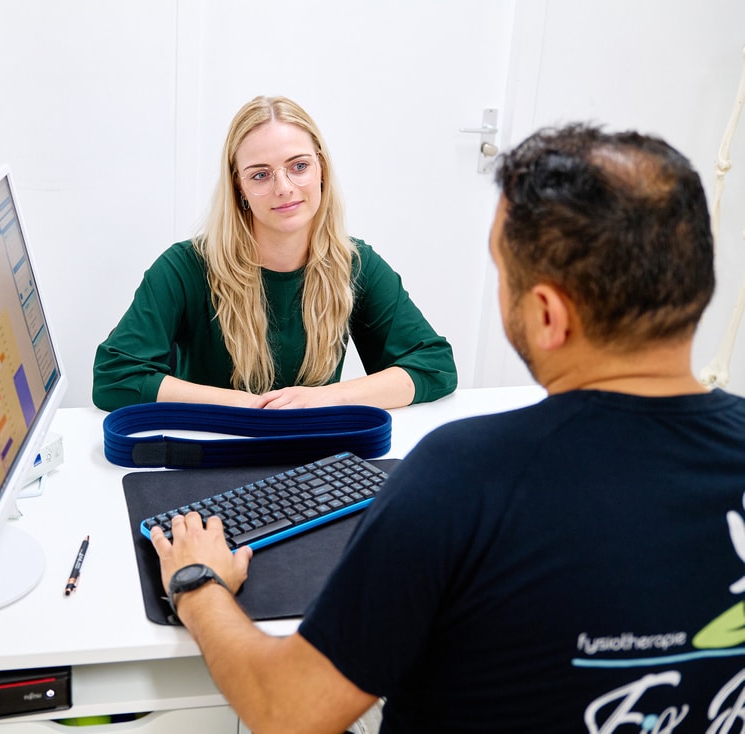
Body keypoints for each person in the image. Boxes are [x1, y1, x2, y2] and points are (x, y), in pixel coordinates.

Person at [148, 123, 745, 733]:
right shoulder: (189, 267)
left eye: (502, 272)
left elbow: (284, 711)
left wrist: (196, 583)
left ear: (545, 314)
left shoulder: (460, 478)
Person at [92, 96, 456, 412]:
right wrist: (247, 406)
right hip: (212, 451)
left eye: (299, 166)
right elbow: (114, 377)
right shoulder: (184, 267)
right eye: (261, 175)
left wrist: (328, 397)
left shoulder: (355, 263)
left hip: (310, 456)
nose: (284, 188)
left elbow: (434, 366)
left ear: (321, 171)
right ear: (239, 187)